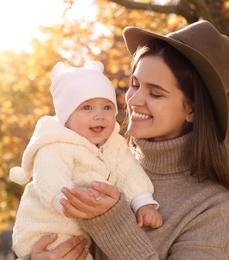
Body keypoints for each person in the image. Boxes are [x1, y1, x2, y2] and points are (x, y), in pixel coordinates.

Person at [29, 20, 229, 259]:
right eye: (135, 85)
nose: (133, 100)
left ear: (192, 110)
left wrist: (110, 219)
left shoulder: (213, 205)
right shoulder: (97, 155)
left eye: (155, 93)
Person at [10, 60, 162, 259]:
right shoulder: (55, 144)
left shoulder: (114, 144)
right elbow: (48, 174)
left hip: (83, 233)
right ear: (66, 116)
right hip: (48, 226)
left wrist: (143, 202)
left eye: (107, 107)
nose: (99, 115)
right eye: (87, 108)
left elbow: (130, 172)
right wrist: (62, 199)